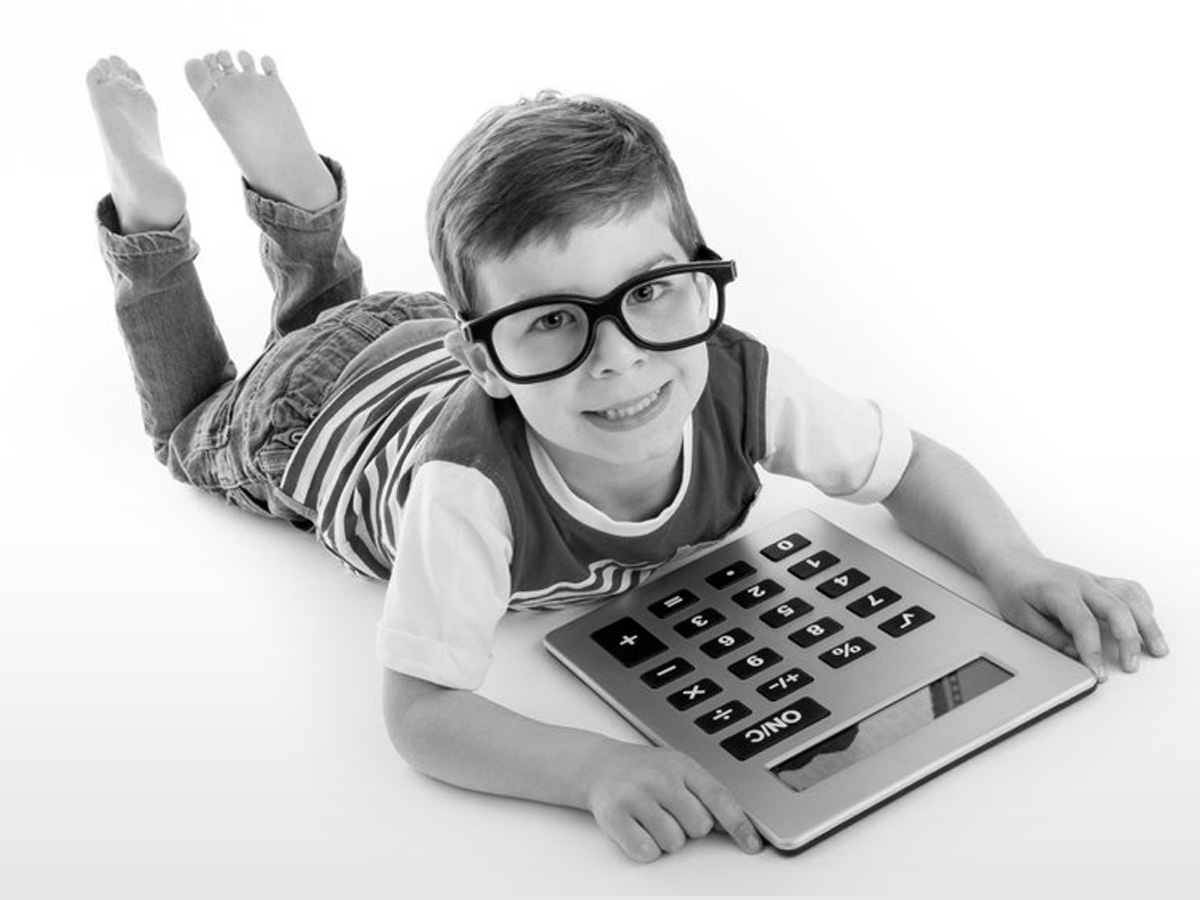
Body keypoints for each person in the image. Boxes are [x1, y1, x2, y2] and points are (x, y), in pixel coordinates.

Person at [88, 50, 1169, 863]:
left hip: (419, 331)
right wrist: (595, 767)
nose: (618, 363)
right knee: (187, 426)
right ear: (496, 362)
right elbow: (420, 715)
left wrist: (1014, 562)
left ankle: (306, 210)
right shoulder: (468, 494)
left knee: (337, 306)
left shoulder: (741, 375)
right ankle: (154, 224)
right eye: (559, 321)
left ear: (696, 277)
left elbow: (907, 465)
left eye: (649, 294)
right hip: (312, 417)